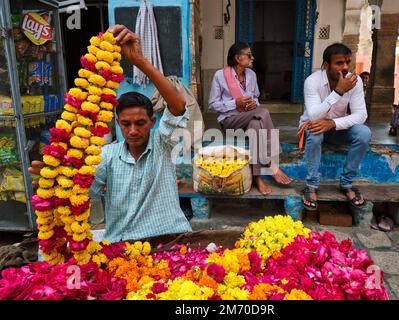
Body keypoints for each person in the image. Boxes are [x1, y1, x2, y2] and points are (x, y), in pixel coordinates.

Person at [29, 25, 192, 242]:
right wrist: (54, 183)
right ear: (117, 124)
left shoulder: (163, 144)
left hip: (171, 237)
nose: (133, 131)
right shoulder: (106, 156)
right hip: (122, 242)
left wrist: (139, 61)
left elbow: (178, 105)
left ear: (153, 122)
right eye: (126, 124)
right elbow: (83, 192)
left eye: (140, 123)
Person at [208, 43, 293, 195]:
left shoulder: (251, 75)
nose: (252, 58)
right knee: (264, 113)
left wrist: (254, 103)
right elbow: (212, 104)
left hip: (248, 118)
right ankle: (269, 162)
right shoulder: (220, 76)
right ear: (238, 58)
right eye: (248, 55)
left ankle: (257, 177)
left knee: (255, 125)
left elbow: (256, 98)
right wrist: (235, 103)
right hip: (230, 121)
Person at [298, 43, 371, 211]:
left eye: (347, 62)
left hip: (338, 127)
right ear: (326, 65)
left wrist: (332, 123)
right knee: (315, 131)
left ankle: (346, 184)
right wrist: (338, 91)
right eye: (339, 63)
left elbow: (361, 115)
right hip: (314, 125)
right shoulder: (312, 81)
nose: (345, 67)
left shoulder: (355, 81)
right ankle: (311, 186)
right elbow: (314, 115)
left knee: (364, 133)